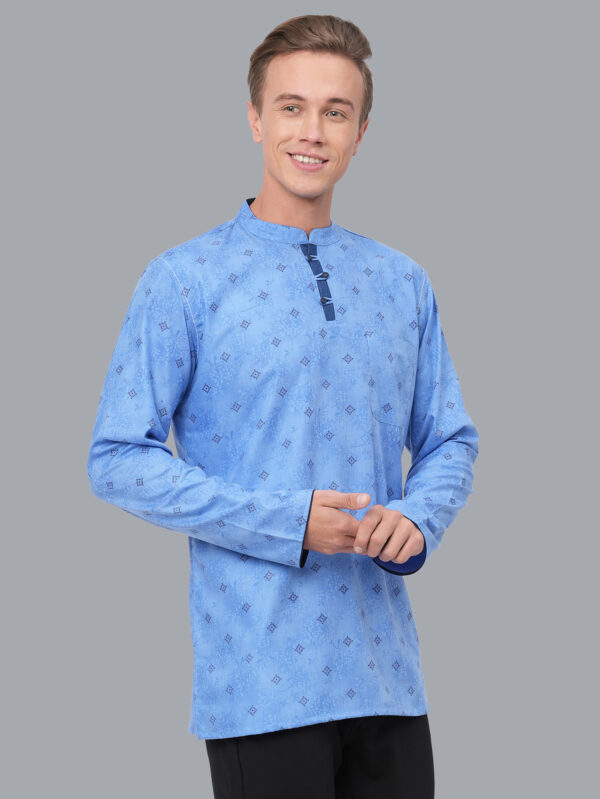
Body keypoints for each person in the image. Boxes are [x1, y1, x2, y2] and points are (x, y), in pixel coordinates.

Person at [87, 13, 478, 799]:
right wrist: (288, 521)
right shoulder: (186, 279)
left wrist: (419, 517)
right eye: (292, 106)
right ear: (255, 118)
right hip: (259, 681)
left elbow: (450, 439)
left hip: (387, 678)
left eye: (336, 111)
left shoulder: (402, 281)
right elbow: (117, 458)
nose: (312, 131)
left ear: (361, 132)